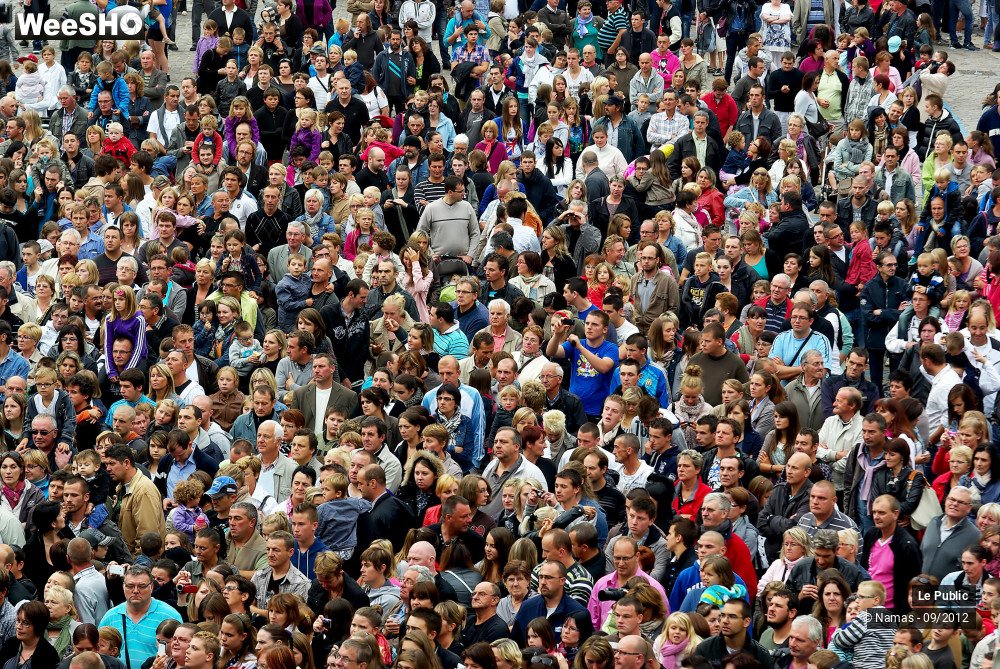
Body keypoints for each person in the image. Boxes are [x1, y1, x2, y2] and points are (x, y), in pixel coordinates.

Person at [98, 566, 182, 666]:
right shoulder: (110, 617)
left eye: (142, 586)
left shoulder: (170, 615)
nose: (136, 590)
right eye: (130, 586)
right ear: (123, 587)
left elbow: (181, 654)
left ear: (151, 587)